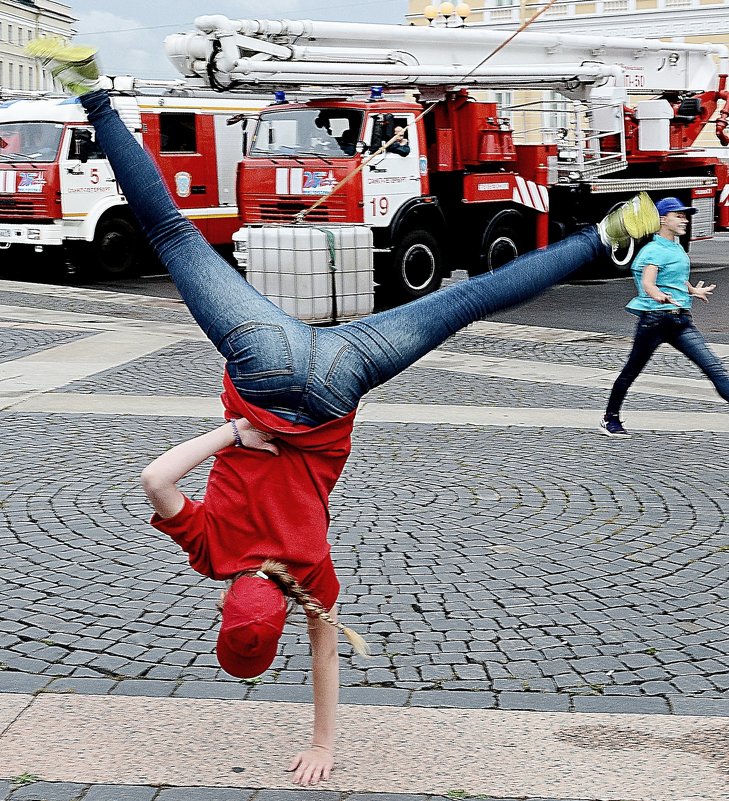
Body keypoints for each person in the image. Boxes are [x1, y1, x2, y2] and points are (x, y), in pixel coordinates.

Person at [27, 37, 660, 786]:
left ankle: (613, 230)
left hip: (337, 382)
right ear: (230, 607)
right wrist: (234, 432)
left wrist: (323, 744)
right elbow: (154, 478)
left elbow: (325, 651)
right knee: (169, 230)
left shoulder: (309, 578)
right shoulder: (212, 554)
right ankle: (91, 91)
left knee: (469, 300)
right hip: (261, 369)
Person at [600, 196, 729, 438]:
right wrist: (659, 295)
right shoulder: (653, 250)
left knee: (714, 368)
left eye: (685, 216)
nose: (685, 220)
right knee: (631, 371)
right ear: (663, 220)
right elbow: (648, 283)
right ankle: (610, 418)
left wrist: (693, 290)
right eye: (678, 215)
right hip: (654, 322)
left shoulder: (676, 248)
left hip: (681, 322)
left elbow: (677, 277)